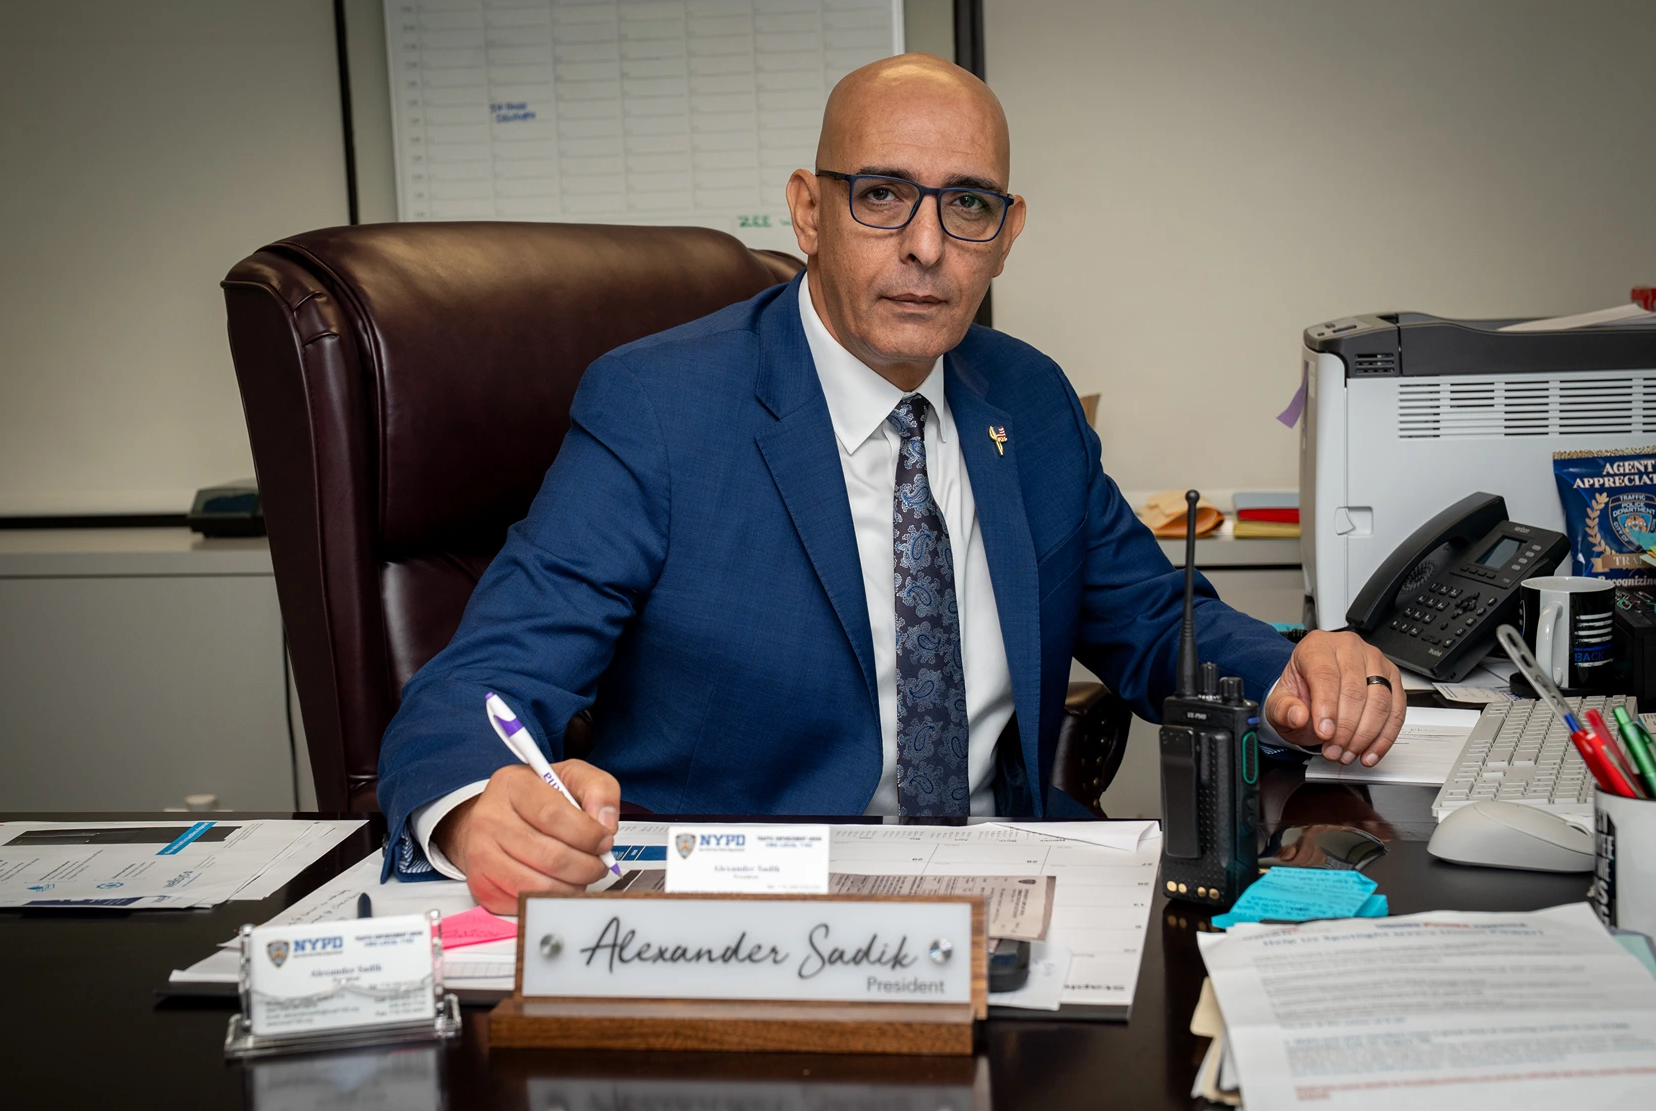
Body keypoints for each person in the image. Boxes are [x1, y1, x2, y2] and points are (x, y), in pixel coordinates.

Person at [377, 54, 1406, 912]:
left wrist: (1289, 675)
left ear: (1006, 232)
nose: (925, 246)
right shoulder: (658, 407)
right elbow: (488, 677)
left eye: (966, 205)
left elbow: (1146, 614)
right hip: (751, 913)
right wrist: (476, 807)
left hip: (1017, 885)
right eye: (881, 195)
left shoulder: (1027, 398)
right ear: (807, 210)